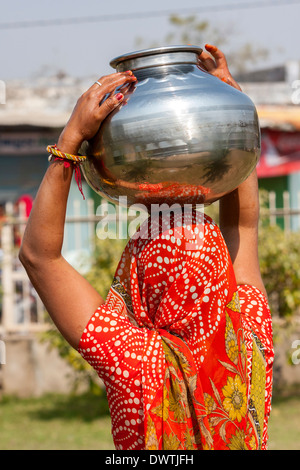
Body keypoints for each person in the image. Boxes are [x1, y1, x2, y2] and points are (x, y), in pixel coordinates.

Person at [19, 45, 273, 450]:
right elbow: (242, 223)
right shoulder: (248, 335)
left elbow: (38, 257)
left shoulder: (135, 362)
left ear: (135, 278)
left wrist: (71, 138)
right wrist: (229, 112)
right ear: (221, 271)